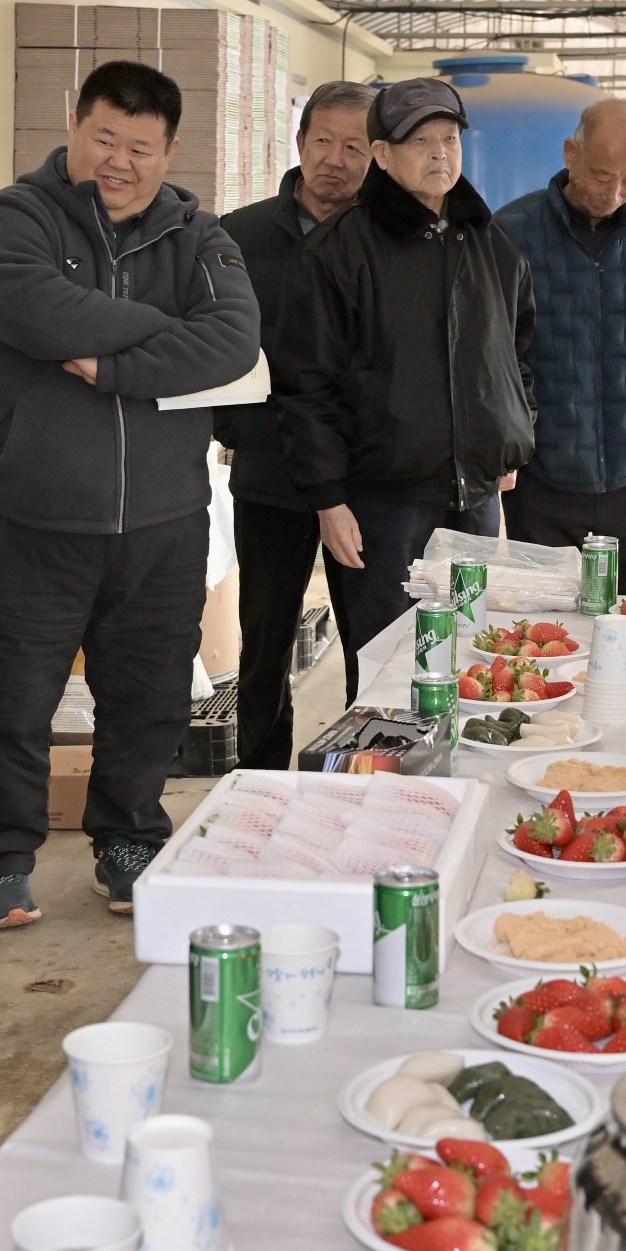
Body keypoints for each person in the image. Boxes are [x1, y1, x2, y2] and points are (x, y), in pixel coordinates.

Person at [0, 59, 259, 928]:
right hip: (29, 516)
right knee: (16, 699)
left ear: (168, 153)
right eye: (105, 138)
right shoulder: (16, 216)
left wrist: (115, 365)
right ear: (74, 127)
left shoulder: (199, 237)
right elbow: (36, 312)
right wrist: (170, 334)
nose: (119, 161)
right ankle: (1, 857)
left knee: (150, 697)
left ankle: (128, 839)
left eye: (141, 147)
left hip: (163, 519)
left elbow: (234, 342)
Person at [275, 77, 536, 679]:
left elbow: (518, 354)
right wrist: (329, 500)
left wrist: (510, 432)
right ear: (383, 155)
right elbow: (306, 386)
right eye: (420, 141)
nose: (440, 153)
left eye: (450, 138)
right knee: (388, 668)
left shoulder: (492, 245)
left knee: (469, 660)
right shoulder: (339, 251)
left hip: (474, 499)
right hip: (383, 506)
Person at [218, 80, 376, 766]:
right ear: (300, 141)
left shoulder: (387, 237)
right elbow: (211, 340)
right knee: (265, 647)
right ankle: (260, 784)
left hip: (363, 479)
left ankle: (364, 778)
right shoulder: (238, 235)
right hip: (271, 471)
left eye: (353, 146)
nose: (334, 160)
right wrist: (236, 430)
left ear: (377, 154)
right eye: (323, 141)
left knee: (372, 643)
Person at [493, 97, 626, 570]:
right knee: (549, 617)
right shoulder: (512, 231)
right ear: (571, 153)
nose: (614, 194)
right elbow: (499, 356)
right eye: (602, 176)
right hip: (544, 483)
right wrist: (515, 449)